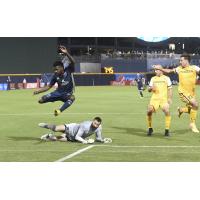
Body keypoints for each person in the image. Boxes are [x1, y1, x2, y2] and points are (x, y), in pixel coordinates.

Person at [153, 54, 200, 133]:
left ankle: (181, 110)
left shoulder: (194, 68)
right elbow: (169, 71)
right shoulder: (179, 69)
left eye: (181, 60)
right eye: (180, 60)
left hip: (192, 93)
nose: (180, 62)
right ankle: (192, 124)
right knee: (195, 104)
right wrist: (160, 68)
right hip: (183, 92)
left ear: (186, 60)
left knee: (192, 109)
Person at [38, 117, 112, 144]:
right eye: (94, 123)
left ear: (99, 125)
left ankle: (47, 136)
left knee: (56, 138)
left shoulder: (99, 128)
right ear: (92, 121)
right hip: (71, 129)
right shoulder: (85, 125)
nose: (95, 125)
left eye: (97, 124)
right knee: (56, 128)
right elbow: (77, 136)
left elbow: (98, 138)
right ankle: (45, 125)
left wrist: (102, 140)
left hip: (73, 138)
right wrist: (84, 141)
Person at [147, 65, 172, 136]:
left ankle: (167, 130)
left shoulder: (167, 78)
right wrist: (151, 88)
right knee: (149, 111)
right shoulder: (153, 78)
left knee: (167, 111)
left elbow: (170, 89)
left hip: (163, 99)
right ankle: (150, 128)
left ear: (161, 70)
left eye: (156, 70)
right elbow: (149, 89)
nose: (155, 71)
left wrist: (169, 98)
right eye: (154, 70)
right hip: (154, 99)